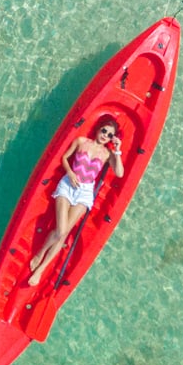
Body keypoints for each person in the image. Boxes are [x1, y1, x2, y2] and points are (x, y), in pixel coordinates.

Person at [26, 116, 124, 288]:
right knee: (60, 230)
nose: (105, 136)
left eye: (109, 135)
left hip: (84, 193)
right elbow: (64, 158)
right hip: (67, 185)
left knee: (63, 234)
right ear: (98, 128)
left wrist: (117, 149)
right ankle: (40, 252)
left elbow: (119, 173)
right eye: (104, 131)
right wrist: (70, 173)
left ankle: (41, 269)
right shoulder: (81, 141)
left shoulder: (107, 154)